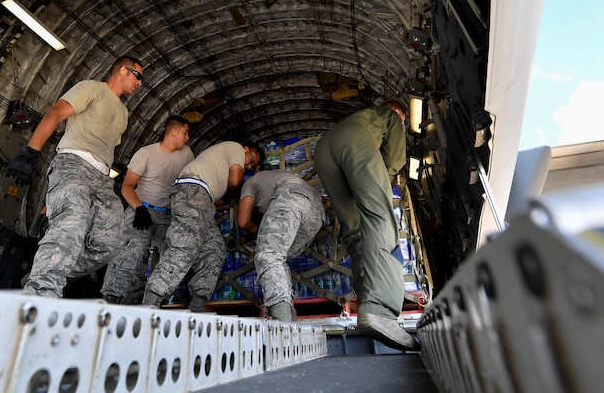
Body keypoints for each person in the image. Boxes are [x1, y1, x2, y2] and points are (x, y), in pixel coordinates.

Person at [5, 55, 144, 298]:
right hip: (74, 165)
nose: (140, 83)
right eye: (138, 76)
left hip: (102, 179)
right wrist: (30, 152)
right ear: (122, 71)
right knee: (71, 226)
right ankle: (40, 293)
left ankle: (49, 270)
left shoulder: (123, 113)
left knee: (111, 242)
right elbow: (56, 113)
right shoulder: (91, 88)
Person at [312, 98, 419, 351]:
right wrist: (384, 178)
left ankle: (368, 306)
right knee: (380, 217)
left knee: (355, 230)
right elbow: (393, 159)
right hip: (355, 144)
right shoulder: (390, 116)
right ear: (396, 111)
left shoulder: (358, 117)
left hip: (324, 150)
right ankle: (380, 309)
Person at [142, 140, 262, 312]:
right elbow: (235, 181)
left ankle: (197, 307)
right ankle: (151, 302)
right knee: (184, 246)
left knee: (215, 250)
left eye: (253, 166)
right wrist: (244, 190)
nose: (249, 166)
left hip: (203, 201)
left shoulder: (217, 168)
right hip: (192, 191)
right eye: (251, 160)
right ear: (246, 149)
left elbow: (218, 200)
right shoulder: (236, 148)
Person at [101, 115, 194, 304]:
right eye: (185, 133)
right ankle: (112, 297)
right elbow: (126, 186)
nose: (187, 138)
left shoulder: (187, 154)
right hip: (142, 210)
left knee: (176, 254)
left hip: (168, 215)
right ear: (173, 132)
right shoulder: (146, 154)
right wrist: (139, 208)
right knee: (133, 251)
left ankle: (155, 301)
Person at [237, 170, 324, 322]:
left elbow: (243, 221)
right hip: (317, 212)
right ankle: (289, 315)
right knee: (278, 259)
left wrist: (257, 230)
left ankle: (282, 320)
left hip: (291, 196)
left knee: (268, 254)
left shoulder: (250, 182)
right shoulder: (274, 176)